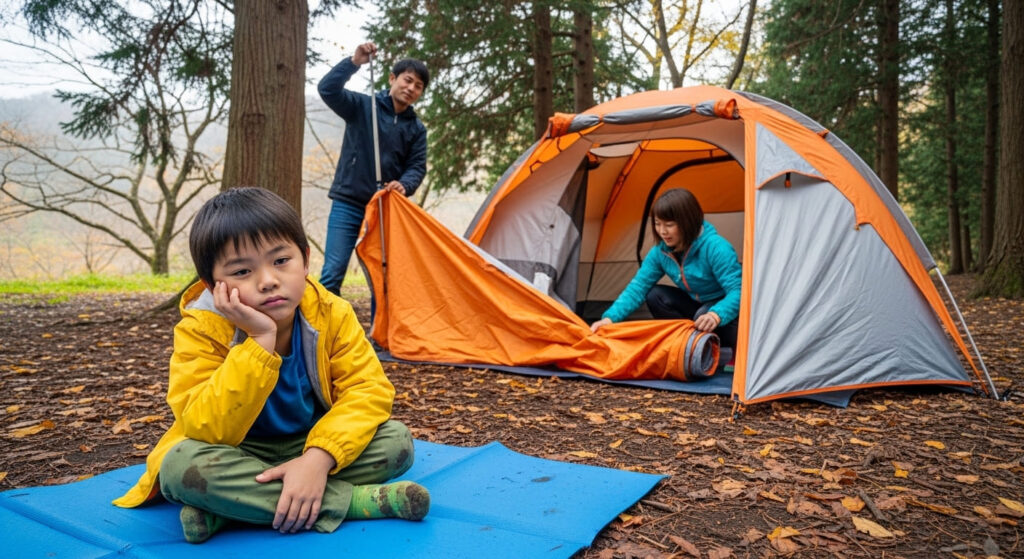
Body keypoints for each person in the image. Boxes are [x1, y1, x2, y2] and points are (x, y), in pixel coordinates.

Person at [112, 187, 429, 543]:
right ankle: (353, 501)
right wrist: (260, 342)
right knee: (180, 468)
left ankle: (231, 511)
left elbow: (367, 391)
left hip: (312, 440)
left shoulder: (331, 313)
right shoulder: (201, 329)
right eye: (243, 271)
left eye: (281, 261)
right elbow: (203, 427)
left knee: (396, 441)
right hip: (237, 451)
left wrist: (317, 459)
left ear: (305, 260)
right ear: (213, 285)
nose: (267, 281)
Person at [318, 41, 430, 295]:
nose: (411, 88)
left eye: (418, 86)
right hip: (348, 202)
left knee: (383, 277)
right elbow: (327, 90)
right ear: (393, 78)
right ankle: (322, 332)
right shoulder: (362, 106)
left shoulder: (416, 129)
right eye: (407, 80)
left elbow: (416, 166)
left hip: (383, 209)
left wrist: (405, 184)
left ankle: (379, 335)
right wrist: (354, 63)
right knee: (332, 274)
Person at [590, 188, 742, 350]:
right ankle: (686, 341)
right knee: (655, 295)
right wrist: (609, 319)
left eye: (669, 225)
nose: (662, 231)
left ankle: (709, 342)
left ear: (687, 222)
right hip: (696, 304)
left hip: (726, 311)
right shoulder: (660, 252)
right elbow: (638, 287)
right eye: (657, 224)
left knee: (703, 316)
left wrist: (716, 314)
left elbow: (738, 291)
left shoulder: (716, 247)